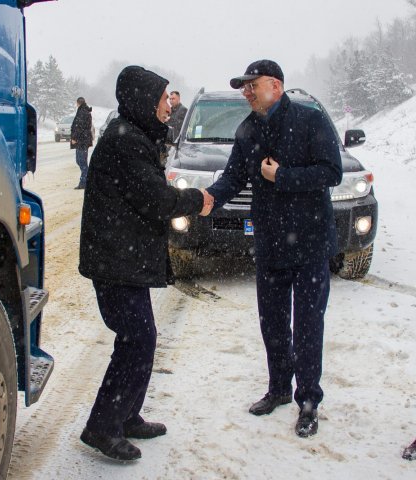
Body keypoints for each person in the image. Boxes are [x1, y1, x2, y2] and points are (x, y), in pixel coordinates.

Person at [202, 59, 342, 438]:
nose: (246, 92)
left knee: (309, 325)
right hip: (270, 242)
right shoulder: (247, 130)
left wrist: (281, 176)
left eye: (253, 85)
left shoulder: (311, 120)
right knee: (273, 323)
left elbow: (332, 172)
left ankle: (308, 401)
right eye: (243, 87)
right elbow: (232, 177)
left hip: (310, 243)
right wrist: (208, 199)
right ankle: (279, 389)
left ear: (276, 86)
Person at [78, 66, 209, 461]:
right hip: (115, 261)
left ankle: (127, 414)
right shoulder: (125, 142)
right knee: (137, 341)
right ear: (142, 99)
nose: (170, 105)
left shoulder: (132, 134)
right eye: (164, 98)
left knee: (141, 338)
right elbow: (156, 199)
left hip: (122, 259)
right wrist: (196, 200)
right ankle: (102, 426)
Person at [70, 97, 93, 189]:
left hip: (82, 140)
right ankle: (87, 179)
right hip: (83, 140)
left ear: (78, 103)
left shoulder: (82, 112)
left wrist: (75, 138)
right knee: (80, 161)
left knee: (82, 162)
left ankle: (84, 182)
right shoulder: (83, 111)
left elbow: (78, 126)